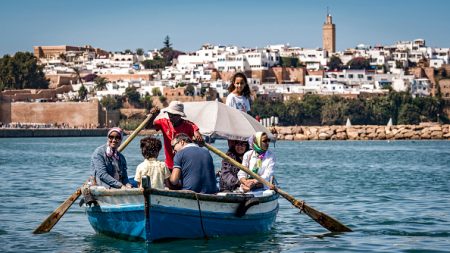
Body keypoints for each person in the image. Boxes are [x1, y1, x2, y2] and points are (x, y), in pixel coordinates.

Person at [147, 101, 204, 170]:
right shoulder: (163, 122)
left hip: (185, 165)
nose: (170, 116)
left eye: (173, 115)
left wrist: (198, 139)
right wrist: (153, 116)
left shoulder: (189, 125)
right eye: (169, 114)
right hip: (169, 165)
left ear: (180, 115)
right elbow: (148, 126)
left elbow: (200, 142)